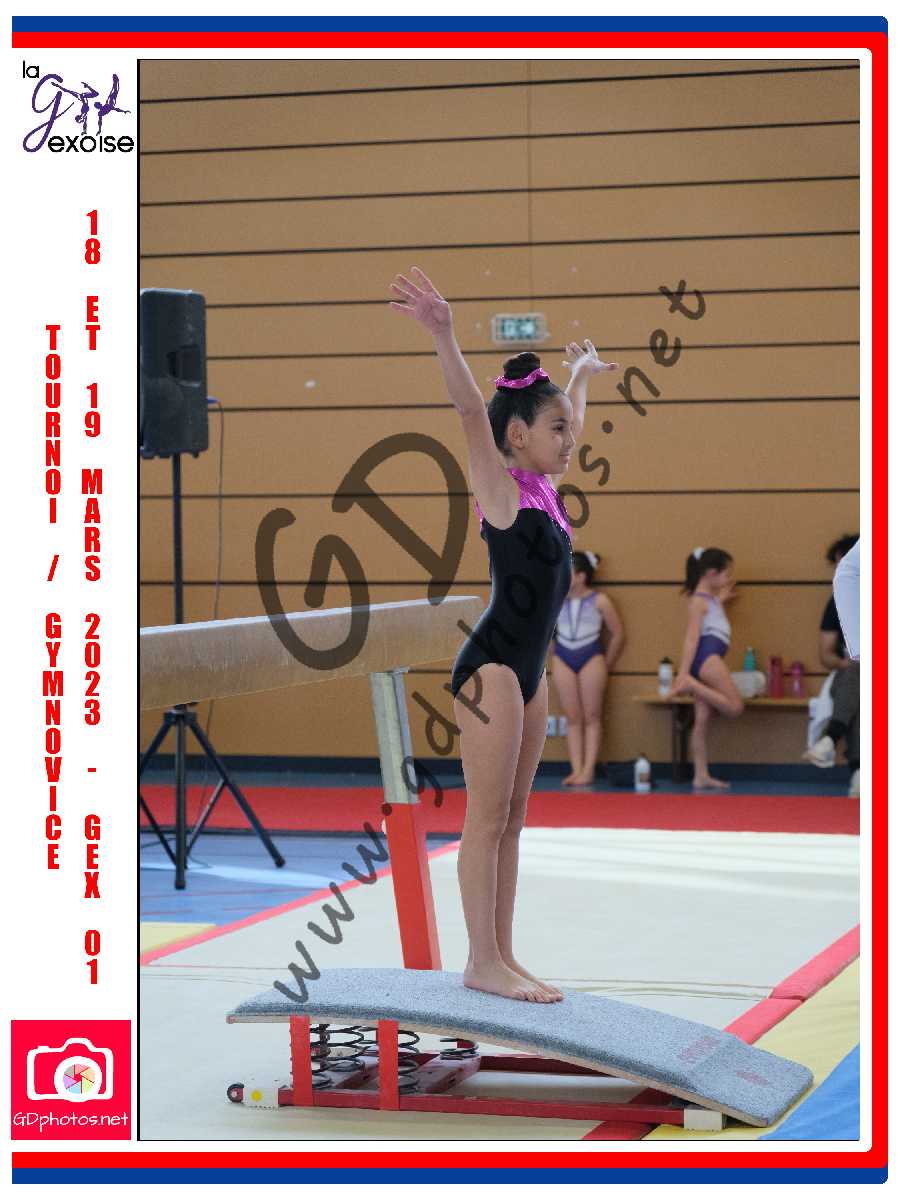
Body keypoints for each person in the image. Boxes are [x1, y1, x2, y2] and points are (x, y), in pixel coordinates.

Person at [391, 266, 617, 1002]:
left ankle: (504, 955)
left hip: (529, 672)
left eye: (570, 428)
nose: (571, 438)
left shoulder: (545, 488)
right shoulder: (500, 489)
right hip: (490, 668)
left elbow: (566, 419)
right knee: (486, 820)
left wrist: (577, 380)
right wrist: (443, 333)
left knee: (513, 821)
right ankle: (479, 960)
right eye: (557, 429)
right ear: (517, 436)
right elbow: (468, 410)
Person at [669, 547, 745, 791]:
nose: (728, 579)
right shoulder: (698, 602)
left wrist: (721, 598)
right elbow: (691, 638)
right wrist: (684, 674)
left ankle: (700, 775)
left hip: (707, 659)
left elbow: (712, 616)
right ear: (711, 573)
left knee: (701, 723)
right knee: (735, 707)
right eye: (726, 574)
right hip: (707, 660)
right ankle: (692, 684)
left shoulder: (709, 600)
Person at [551, 549, 625, 786]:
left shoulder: (600, 600)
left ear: (581, 576)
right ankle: (576, 769)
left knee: (592, 716)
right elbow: (546, 633)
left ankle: (589, 769)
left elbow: (618, 633)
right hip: (563, 657)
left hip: (592, 657)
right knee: (572, 717)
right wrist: (554, 654)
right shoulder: (555, 599)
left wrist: (606, 662)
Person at [803, 535, 860, 798]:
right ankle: (861, 771)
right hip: (850, 669)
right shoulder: (837, 600)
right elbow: (826, 655)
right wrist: (845, 662)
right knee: (859, 681)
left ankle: (831, 739)